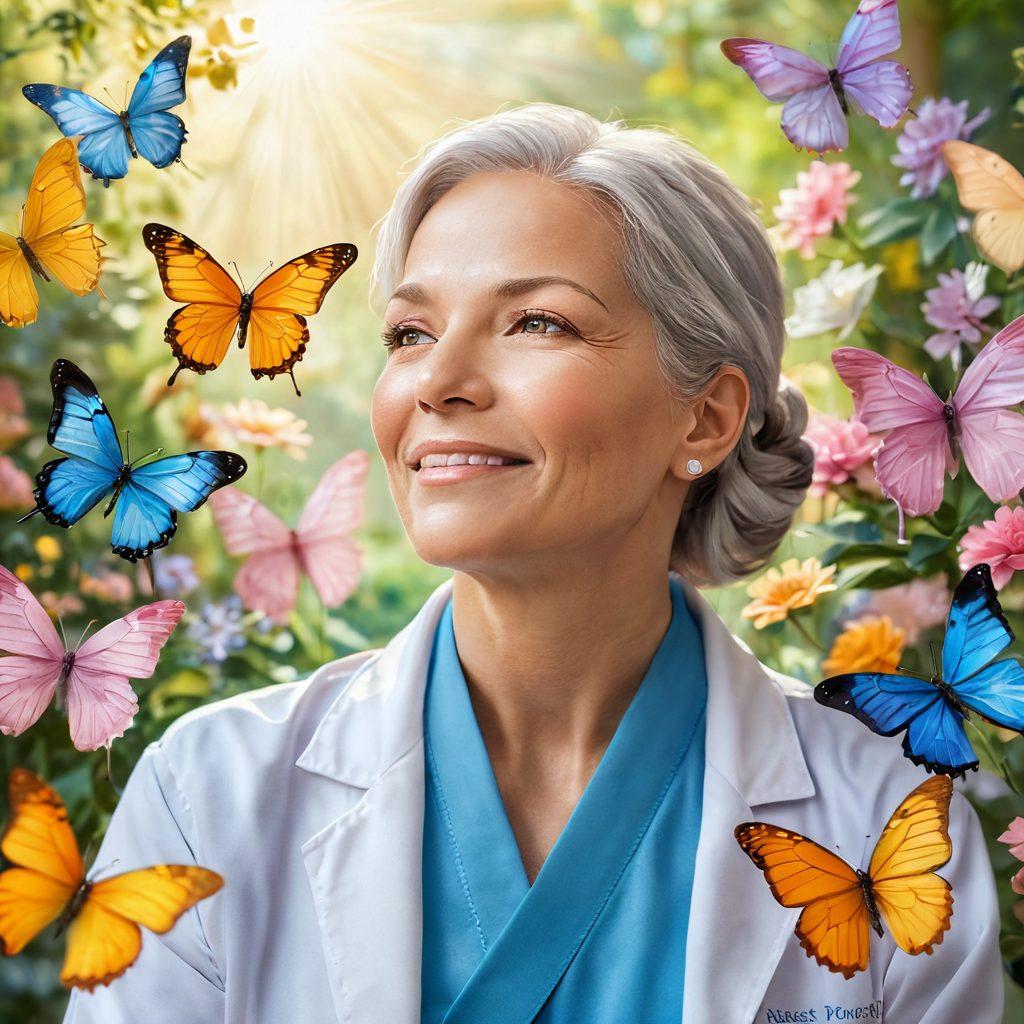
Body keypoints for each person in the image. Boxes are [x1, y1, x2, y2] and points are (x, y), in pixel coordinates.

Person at [62, 103, 1003, 1024]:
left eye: (537, 323)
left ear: (705, 418)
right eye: (410, 333)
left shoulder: (886, 809)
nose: (437, 382)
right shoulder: (211, 793)